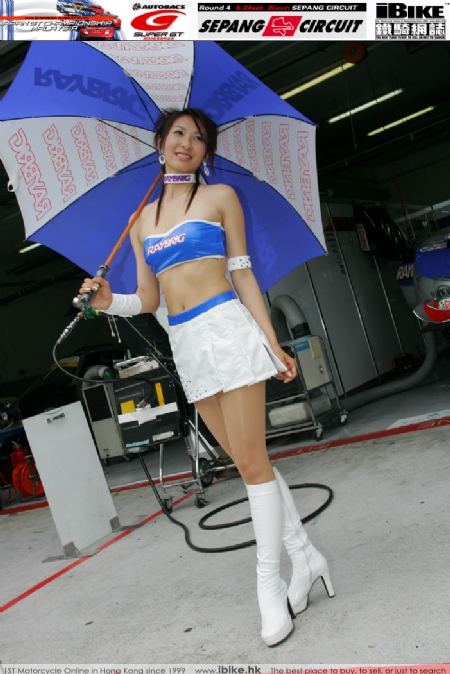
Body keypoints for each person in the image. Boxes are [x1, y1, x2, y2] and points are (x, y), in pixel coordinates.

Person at [78, 107, 334, 647]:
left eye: (198, 138)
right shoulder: (140, 222)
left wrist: (271, 341)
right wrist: (106, 301)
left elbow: (243, 273)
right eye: (179, 133)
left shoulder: (220, 197)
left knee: (253, 465)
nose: (187, 143)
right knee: (246, 462)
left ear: (205, 152)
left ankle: (269, 585)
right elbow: (147, 298)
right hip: (186, 344)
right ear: (160, 143)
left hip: (229, 329)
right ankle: (307, 556)